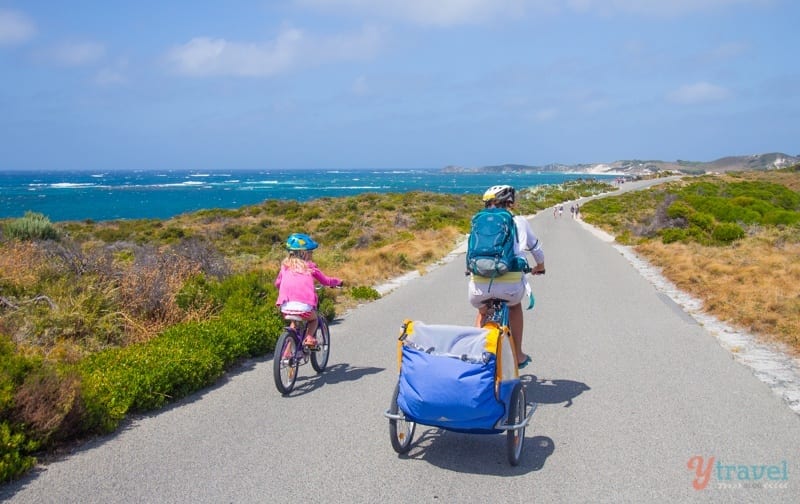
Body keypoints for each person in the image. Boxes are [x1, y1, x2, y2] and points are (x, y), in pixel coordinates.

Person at [467, 185, 545, 368]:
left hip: (478, 286)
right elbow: (536, 249)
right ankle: (517, 354)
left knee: (482, 310)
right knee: (515, 307)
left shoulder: (477, 221)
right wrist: (540, 267)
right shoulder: (519, 221)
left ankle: (474, 356)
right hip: (510, 286)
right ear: (510, 202)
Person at [275, 232, 343, 347]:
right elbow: (326, 281)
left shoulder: (285, 267)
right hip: (304, 308)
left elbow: (277, 283)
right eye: (310, 252)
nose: (312, 254)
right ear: (304, 253)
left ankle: (286, 354)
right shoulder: (310, 267)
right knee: (314, 320)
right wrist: (338, 282)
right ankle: (309, 338)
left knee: (294, 324)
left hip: (285, 307)